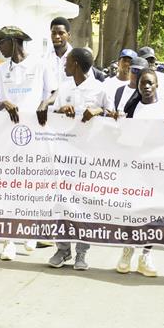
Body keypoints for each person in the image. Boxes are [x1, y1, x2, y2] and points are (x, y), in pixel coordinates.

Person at [0, 25, 57, 260]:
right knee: (7, 187)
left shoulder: (40, 64)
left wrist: (44, 104)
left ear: (15, 41)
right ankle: (7, 242)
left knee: (32, 184)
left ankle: (30, 230)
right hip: (7, 137)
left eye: (2, 42)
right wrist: (4, 103)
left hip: (36, 135)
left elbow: (55, 92)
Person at [48, 47, 114, 271]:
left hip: (89, 156)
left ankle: (81, 253)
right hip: (64, 154)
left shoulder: (99, 89)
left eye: (67, 61)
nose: (64, 65)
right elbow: (50, 118)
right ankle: (62, 249)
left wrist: (98, 112)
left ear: (75, 64)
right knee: (62, 202)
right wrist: (60, 111)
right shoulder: (64, 88)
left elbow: (116, 117)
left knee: (84, 204)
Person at [116, 68, 164, 277]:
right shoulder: (132, 107)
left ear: (157, 85)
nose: (146, 87)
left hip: (156, 170)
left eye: (150, 83)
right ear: (137, 86)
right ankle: (127, 250)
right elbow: (120, 135)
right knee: (132, 210)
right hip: (133, 169)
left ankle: (146, 254)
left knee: (152, 213)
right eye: (142, 83)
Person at [46, 17, 74, 90]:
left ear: (68, 35)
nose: (57, 37)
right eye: (54, 33)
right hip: (48, 100)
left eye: (61, 33)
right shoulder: (44, 58)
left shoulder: (77, 58)